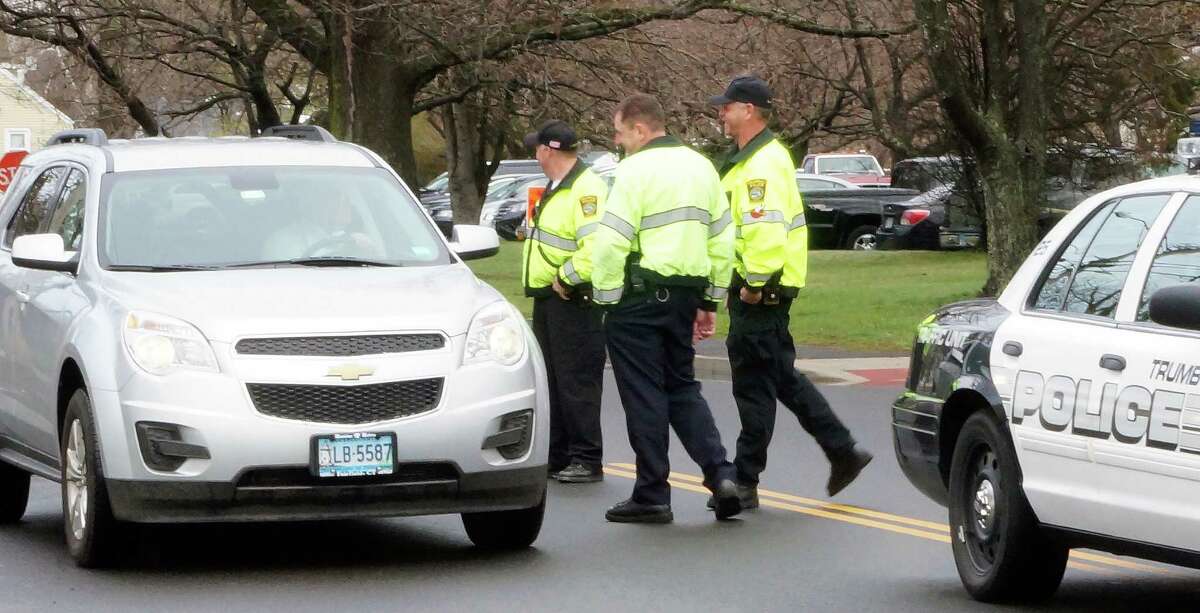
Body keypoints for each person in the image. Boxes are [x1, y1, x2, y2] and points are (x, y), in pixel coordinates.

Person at [708, 75, 872, 509]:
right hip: (762, 285)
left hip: (761, 287)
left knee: (760, 380)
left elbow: (764, 229)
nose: (721, 113)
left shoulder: (761, 164)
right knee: (769, 378)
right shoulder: (754, 159)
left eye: (727, 106)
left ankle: (835, 452)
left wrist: (755, 286)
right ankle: (759, 476)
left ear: (749, 110)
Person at [590, 93, 742, 523]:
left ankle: (652, 492)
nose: (619, 143)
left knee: (644, 393)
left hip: (637, 295)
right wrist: (710, 299)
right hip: (686, 293)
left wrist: (604, 300)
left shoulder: (632, 171)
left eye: (620, 134)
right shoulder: (701, 166)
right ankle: (721, 473)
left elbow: (611, 240)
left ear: (640, 129)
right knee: (681, 386)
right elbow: (722, 239)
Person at [521, 120, 608, 484]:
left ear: (548, 150)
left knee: (577, 381)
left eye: (537, 148)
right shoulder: (557, 187)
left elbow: (596, 246)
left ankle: (586, 457)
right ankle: (559, 454)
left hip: (573, 298)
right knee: (553, 380)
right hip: (549, 298)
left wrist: (566, 277)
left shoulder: (586, 190)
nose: (535, 153)